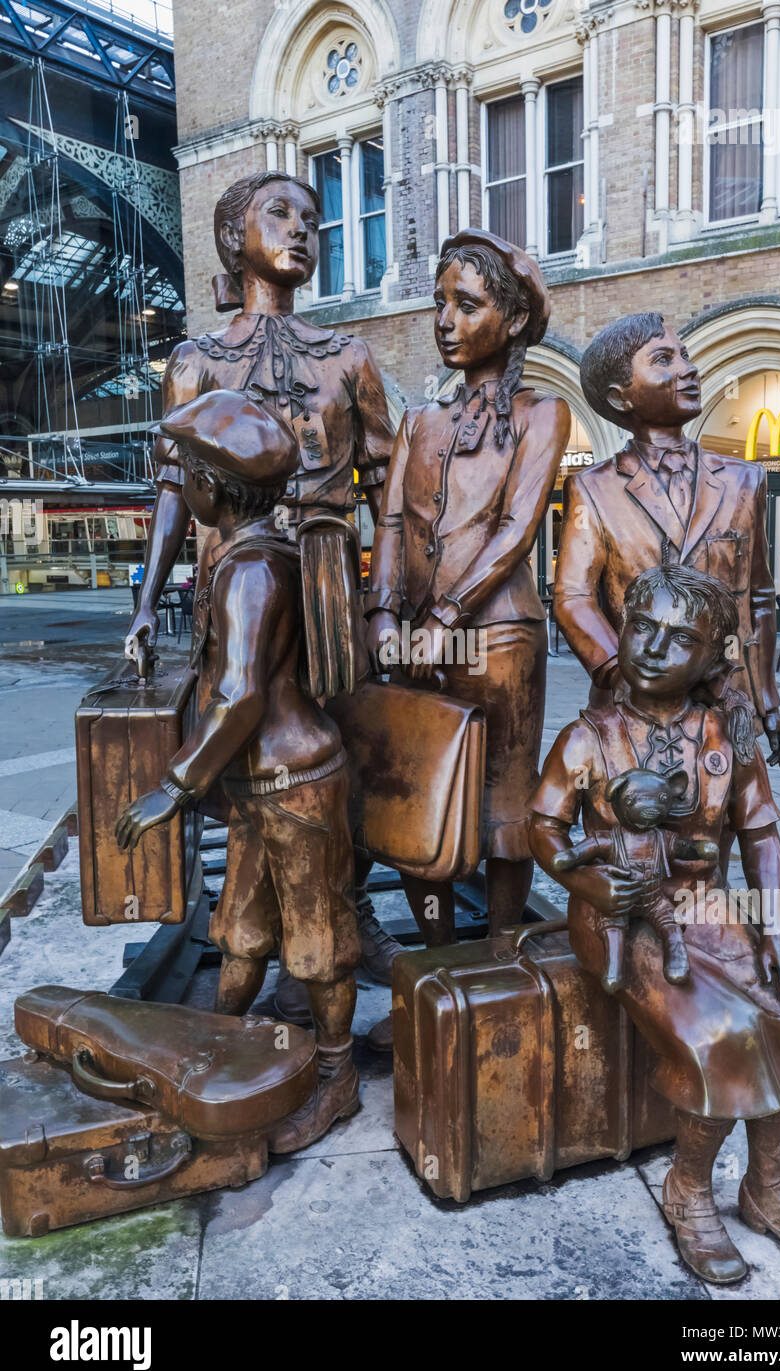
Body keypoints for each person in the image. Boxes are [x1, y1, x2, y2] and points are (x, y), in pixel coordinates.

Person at [529, 563, 780, 1285]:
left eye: (678, 640)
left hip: (707, 909)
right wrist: (584, 878)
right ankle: (688, 1190)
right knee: (718, 1033)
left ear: (710, 659)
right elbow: (543, 825)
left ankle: (767, 1190)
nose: (648, 647)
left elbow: (762, 836)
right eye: (640, 626)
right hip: (617, 913)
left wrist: (774, 934)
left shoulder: (724, 734)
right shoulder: (592, 736)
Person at [124, 168, 400, 988]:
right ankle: (248, 920)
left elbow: (387, 494)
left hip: (327, 586)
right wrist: (146, 604)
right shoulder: (194, 359)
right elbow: (174, 488)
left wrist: (382, 602)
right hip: (235, 573)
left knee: (334, 753)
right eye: (279, 213)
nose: (302, 228)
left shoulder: (349, 355)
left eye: (313, 217)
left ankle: (344, 917)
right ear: (231, 236)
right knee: (246, 754)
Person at [116, 390, 361, 1152]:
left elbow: (241, 694)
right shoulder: (257, 555)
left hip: (296, 783)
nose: (181, 490)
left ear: (209, 489)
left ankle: (336, 1076)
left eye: (184, 475)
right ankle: (219, 1045)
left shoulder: (250, 569)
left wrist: (176, 785)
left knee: (318, 943)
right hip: (264, 788)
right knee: (243, 931)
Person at [366, 228, 570, 951]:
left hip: (499, 637)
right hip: (417, 634)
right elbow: (389, 524)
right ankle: (439, 960)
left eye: (467, 304)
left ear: (512, 320)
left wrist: (445, 616)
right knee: (422, 791)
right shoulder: (420, 421)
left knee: (505, 803)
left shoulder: (541, 414)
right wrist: (385, 615)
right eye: (439, 303)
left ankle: (503, 952)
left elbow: (517, 529)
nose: (445, 321)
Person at [554, 312, 780, 768]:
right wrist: (627, 672)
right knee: (634, 829)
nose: (688, 368)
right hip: (632, 706)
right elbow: (573, 598)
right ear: (620, 398)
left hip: (726, 702)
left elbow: (759, 598)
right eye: (664, 359)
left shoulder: (745, 480)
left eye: (685, 355)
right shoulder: (593, 488)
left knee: (725, 827)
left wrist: (768, 700)